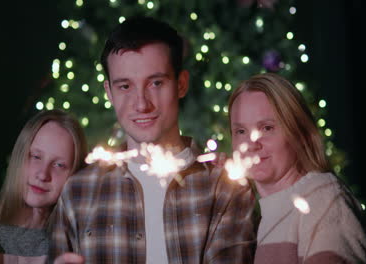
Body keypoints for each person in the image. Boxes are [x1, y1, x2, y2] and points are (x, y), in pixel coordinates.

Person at [48, 16, 256, 264]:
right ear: (109, 93)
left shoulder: (225, 188)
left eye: (156, 83)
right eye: (125, 86)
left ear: (181, 84)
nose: (141, 104)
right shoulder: (78, 192)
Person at [228, 73, 366, 263]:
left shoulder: (322, 198)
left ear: (298, 132)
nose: (251, 144)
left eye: (267, 128)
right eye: (241, 131)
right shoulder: (266, 218)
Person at [0, 109, 88, 264]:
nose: (43, 174)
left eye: (59, 165)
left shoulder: (80, 245)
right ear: (19, 157)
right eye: (35, 156)